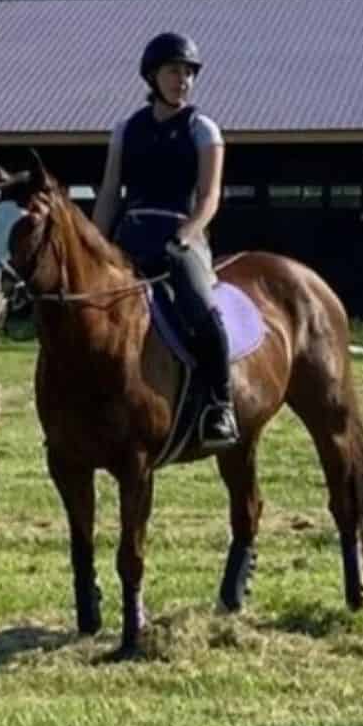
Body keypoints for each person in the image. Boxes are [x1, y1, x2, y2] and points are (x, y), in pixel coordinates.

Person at [92, 31, 239, 449]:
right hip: (131, 236)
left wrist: (188, 235)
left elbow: (210, 197)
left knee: (201, 309)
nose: (183, 80)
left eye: (189, 73)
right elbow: (108, 194)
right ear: (153, 76)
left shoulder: (202, 129)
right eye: (175, 71)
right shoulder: (126, 130)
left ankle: (220, 405)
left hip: (181, 236)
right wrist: (96, 244)